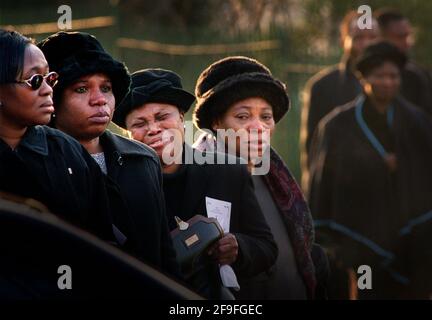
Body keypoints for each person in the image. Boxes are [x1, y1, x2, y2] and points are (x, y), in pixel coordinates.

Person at [113, 68, 278, 299]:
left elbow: (267, 248)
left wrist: (238, 247)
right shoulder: (116, 185)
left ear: (182, 117)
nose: (153, 129)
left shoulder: (227, 172)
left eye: (162, 117)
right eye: (140, 123)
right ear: (127, 133)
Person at [37, 31, 179, 276]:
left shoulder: (143, 160)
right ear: (53, 97)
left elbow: (164, 254)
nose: (99, 100)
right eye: (81, 89)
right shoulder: (34, 163)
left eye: (106, 88)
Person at [192, 56, 327, 299]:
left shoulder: (276, 180)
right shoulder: (197, 178)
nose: (258, 127)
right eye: (242, 117)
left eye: (265, 117)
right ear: (216, 122)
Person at [308, 41, 432, 299]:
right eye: (380, 76)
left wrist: (403, 167)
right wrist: (377, 166)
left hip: (413, 238)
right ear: (363, 78)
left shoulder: (417, 120)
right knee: (367, 290)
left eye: (393, 76)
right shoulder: (337, 125)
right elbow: (326, 177)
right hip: (360, 234)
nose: (388, 82)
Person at [0, 29, 115, 242]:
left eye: (49, 78)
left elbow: (101, 243)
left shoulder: (68, 152)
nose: (47, 90)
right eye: (35, 80)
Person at [300, 10, 380, 193]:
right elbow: (311, 149)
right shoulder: (321, 86)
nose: (366, 44)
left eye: (372, 37)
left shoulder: (401, 82)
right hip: (338, 191)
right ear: (344, 40)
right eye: (359, 37)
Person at [375, 7, 432, 116]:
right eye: (400, 37)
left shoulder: (418, 76)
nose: (408, 43)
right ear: (380, 37)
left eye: (408, 36)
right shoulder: (359, 74)